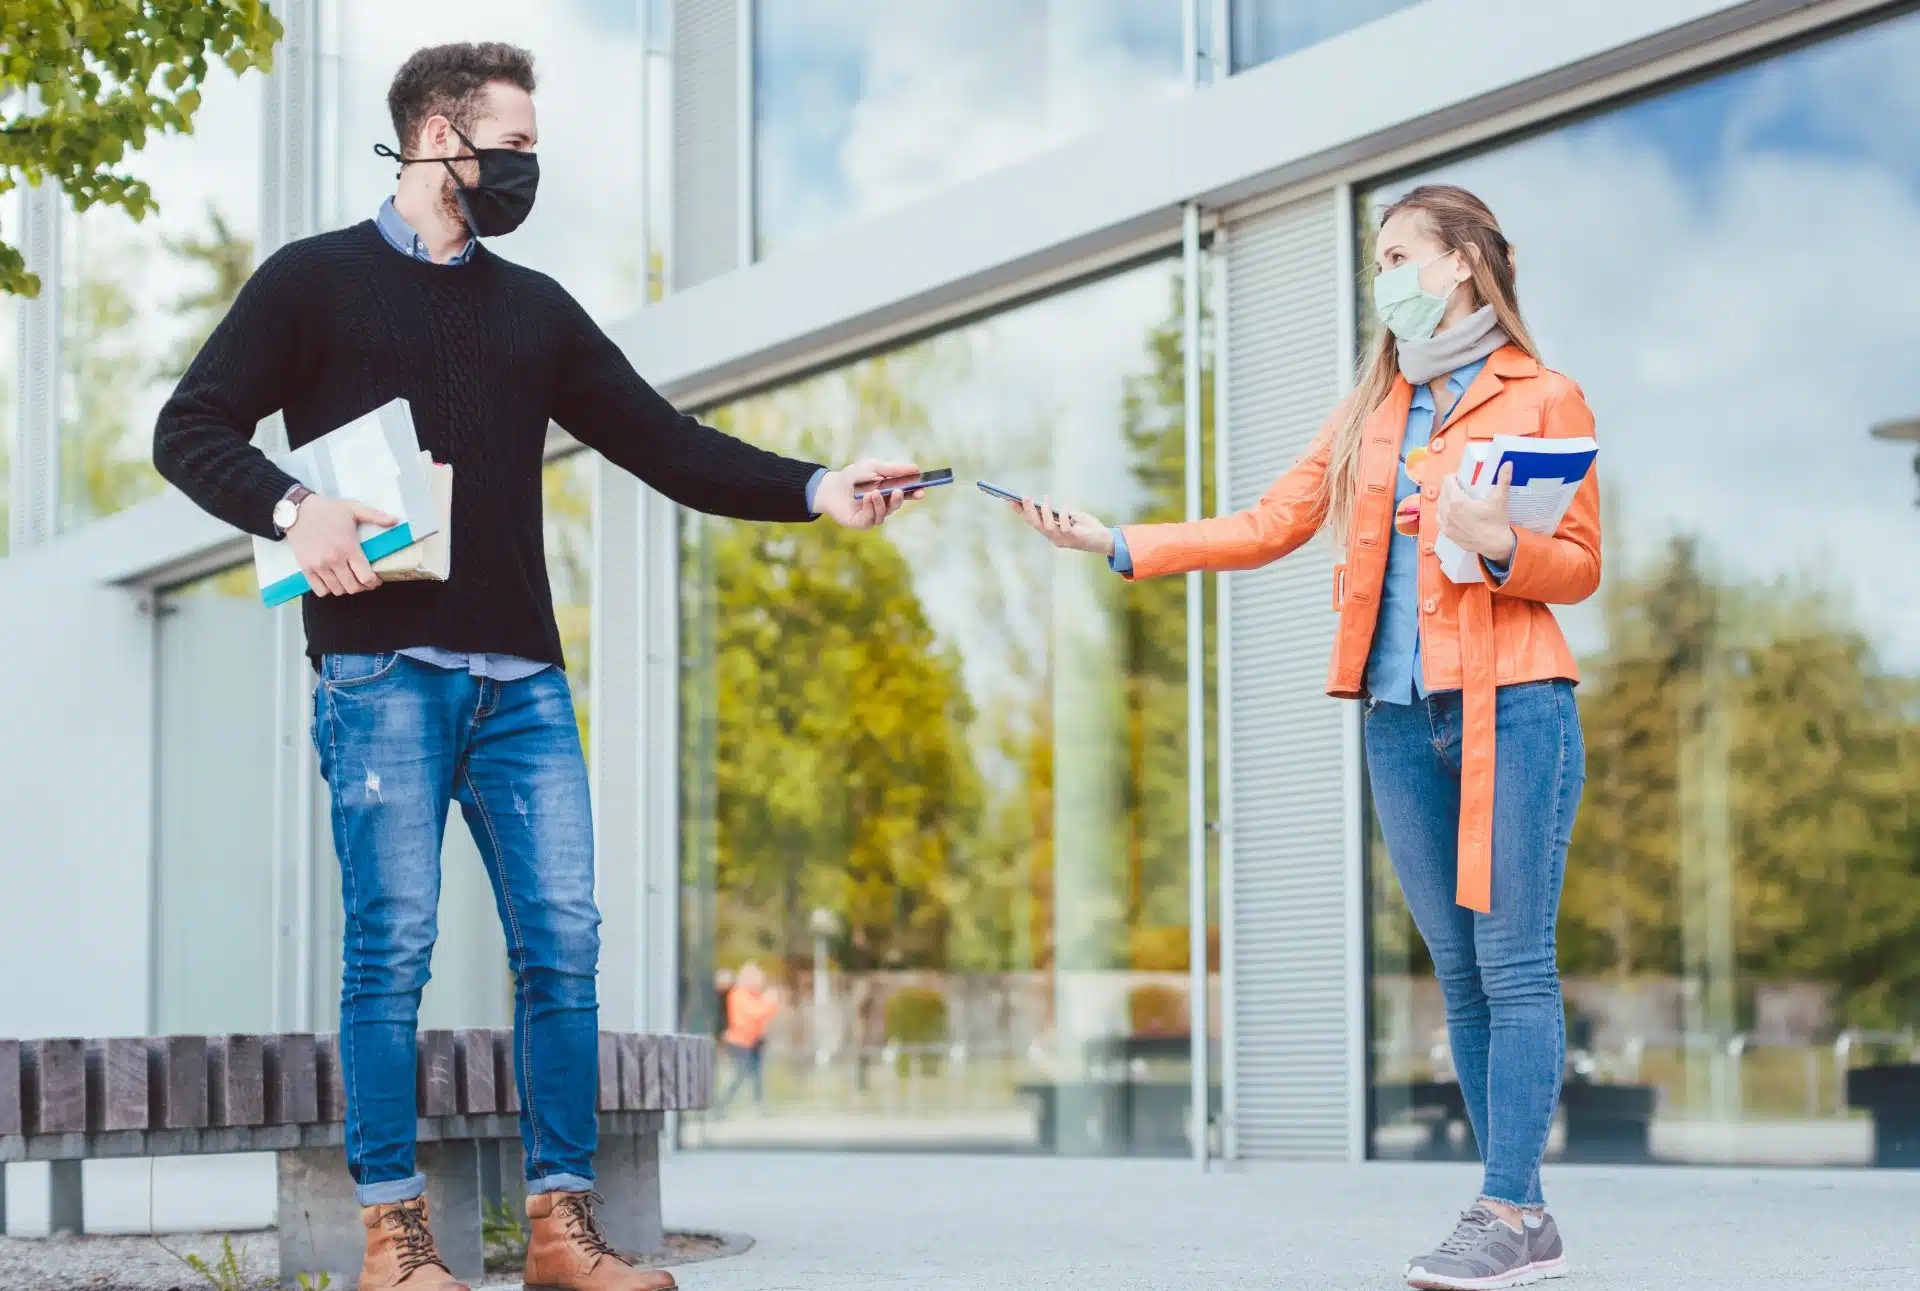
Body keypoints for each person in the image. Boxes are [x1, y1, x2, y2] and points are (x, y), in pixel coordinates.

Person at [153, 42, 918, 1291]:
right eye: (512, 144)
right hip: (377, 671)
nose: (528, 168)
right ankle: (394, 1241)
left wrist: (819, 487)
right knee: (389, 950)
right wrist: (297, 508)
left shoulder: (536, 307)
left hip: (522, 680)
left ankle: (562, 1230)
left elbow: (662, 442)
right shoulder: (310, 282)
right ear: (437, 139)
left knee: (564, 944)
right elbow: (186, 430)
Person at [1011, 184, 1596, 1291]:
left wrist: (1493, 539)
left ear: (1463, 262)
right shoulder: (1376, 405)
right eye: (1375, 261)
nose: (1382, 280)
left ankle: (1508, 1209)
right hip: (1393, 717)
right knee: (1460, 976)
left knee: (1514, 963)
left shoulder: (1544, 395)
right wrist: (1115, 538)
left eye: (1398, 256)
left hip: (1511, 704)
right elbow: (1270, 521)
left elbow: (1580, 561)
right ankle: (1524, 1212)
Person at [716, 962, 779, 1114]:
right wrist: (769, 1002)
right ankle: (721, 1106)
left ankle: (758, 1105)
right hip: (740, 1042)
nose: (759, 983)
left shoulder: (752, 995)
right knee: (740, 1075)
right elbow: (756, 1013)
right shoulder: (739, 995)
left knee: (757, 1075)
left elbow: (763, 1015)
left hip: (753, 1042)